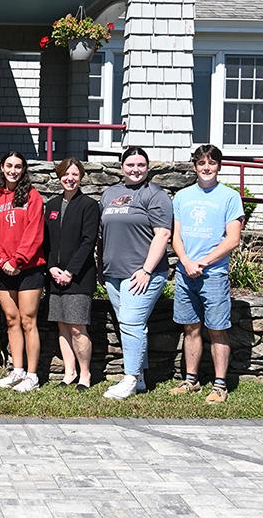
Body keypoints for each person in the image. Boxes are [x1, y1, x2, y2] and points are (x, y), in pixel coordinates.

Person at [169, 144, 244, 404]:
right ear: (195, 166)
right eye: (201, 163)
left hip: (213, 274)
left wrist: (203, 263)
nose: (206, 168)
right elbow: (175, 236)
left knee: (217, 329)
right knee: (190, 327)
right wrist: (187, 261)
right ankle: (191, 380)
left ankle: (220, 385)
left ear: (219, 166)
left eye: (211, 163)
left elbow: (232, 239)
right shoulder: (182, 196)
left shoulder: (229, 197)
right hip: (185, 271)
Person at [99, 146, 173, 400]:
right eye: (130, 165)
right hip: (113, 274)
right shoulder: (110, 194)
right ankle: (140, 377)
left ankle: (130, 378)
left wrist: (146, 270)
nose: (136, 169)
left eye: (141, 165)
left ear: (147, 167)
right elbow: (103, 233)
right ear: (122, 167)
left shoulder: (155, 195)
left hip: (143, 274)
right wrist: (102, 269)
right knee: (129, 325)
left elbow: (163, 234)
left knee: (131, 323)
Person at [0, 151, 47, 392]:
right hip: (5, 268)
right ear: (2, 168)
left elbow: (35, 233)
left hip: (29, 268)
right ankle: (18, 370)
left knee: (28, 321)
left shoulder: (33, 197)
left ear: (24, 170)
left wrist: (18, 260)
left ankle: (32, 375)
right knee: (12, 320)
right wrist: (3, 261)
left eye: (18, 166)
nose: (13, 170)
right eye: (9, 165)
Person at [43, 158, 102, 391]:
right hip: (55, 277)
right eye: (66, 174)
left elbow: (89, 242)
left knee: (77, 327)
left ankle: (85, 375)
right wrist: (51, 268)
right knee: (62, 326)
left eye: (75, 174)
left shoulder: (89, 205)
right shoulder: (52, 204)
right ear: (59, 176)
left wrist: (70, 271)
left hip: (78, 277)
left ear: (81, 177)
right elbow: (46, 242)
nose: (70, 178)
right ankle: (69, 373)